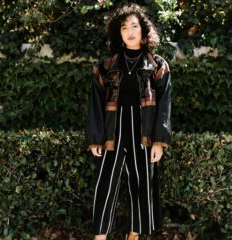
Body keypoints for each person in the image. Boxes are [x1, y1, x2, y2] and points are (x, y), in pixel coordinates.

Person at [85, 3, 171, 240]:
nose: (130, 31)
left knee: (143, 183)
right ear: (118, 33)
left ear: (143, 31)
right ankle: (100, 236)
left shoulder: (157, 65)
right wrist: (95, 138)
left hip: (143, 130)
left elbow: (164, 105)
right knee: (105, 184)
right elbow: (95, 103)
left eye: (134, 26)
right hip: (112, 130)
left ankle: (134, 233)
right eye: (124, 27)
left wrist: (159, 142)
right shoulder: (105, 66)